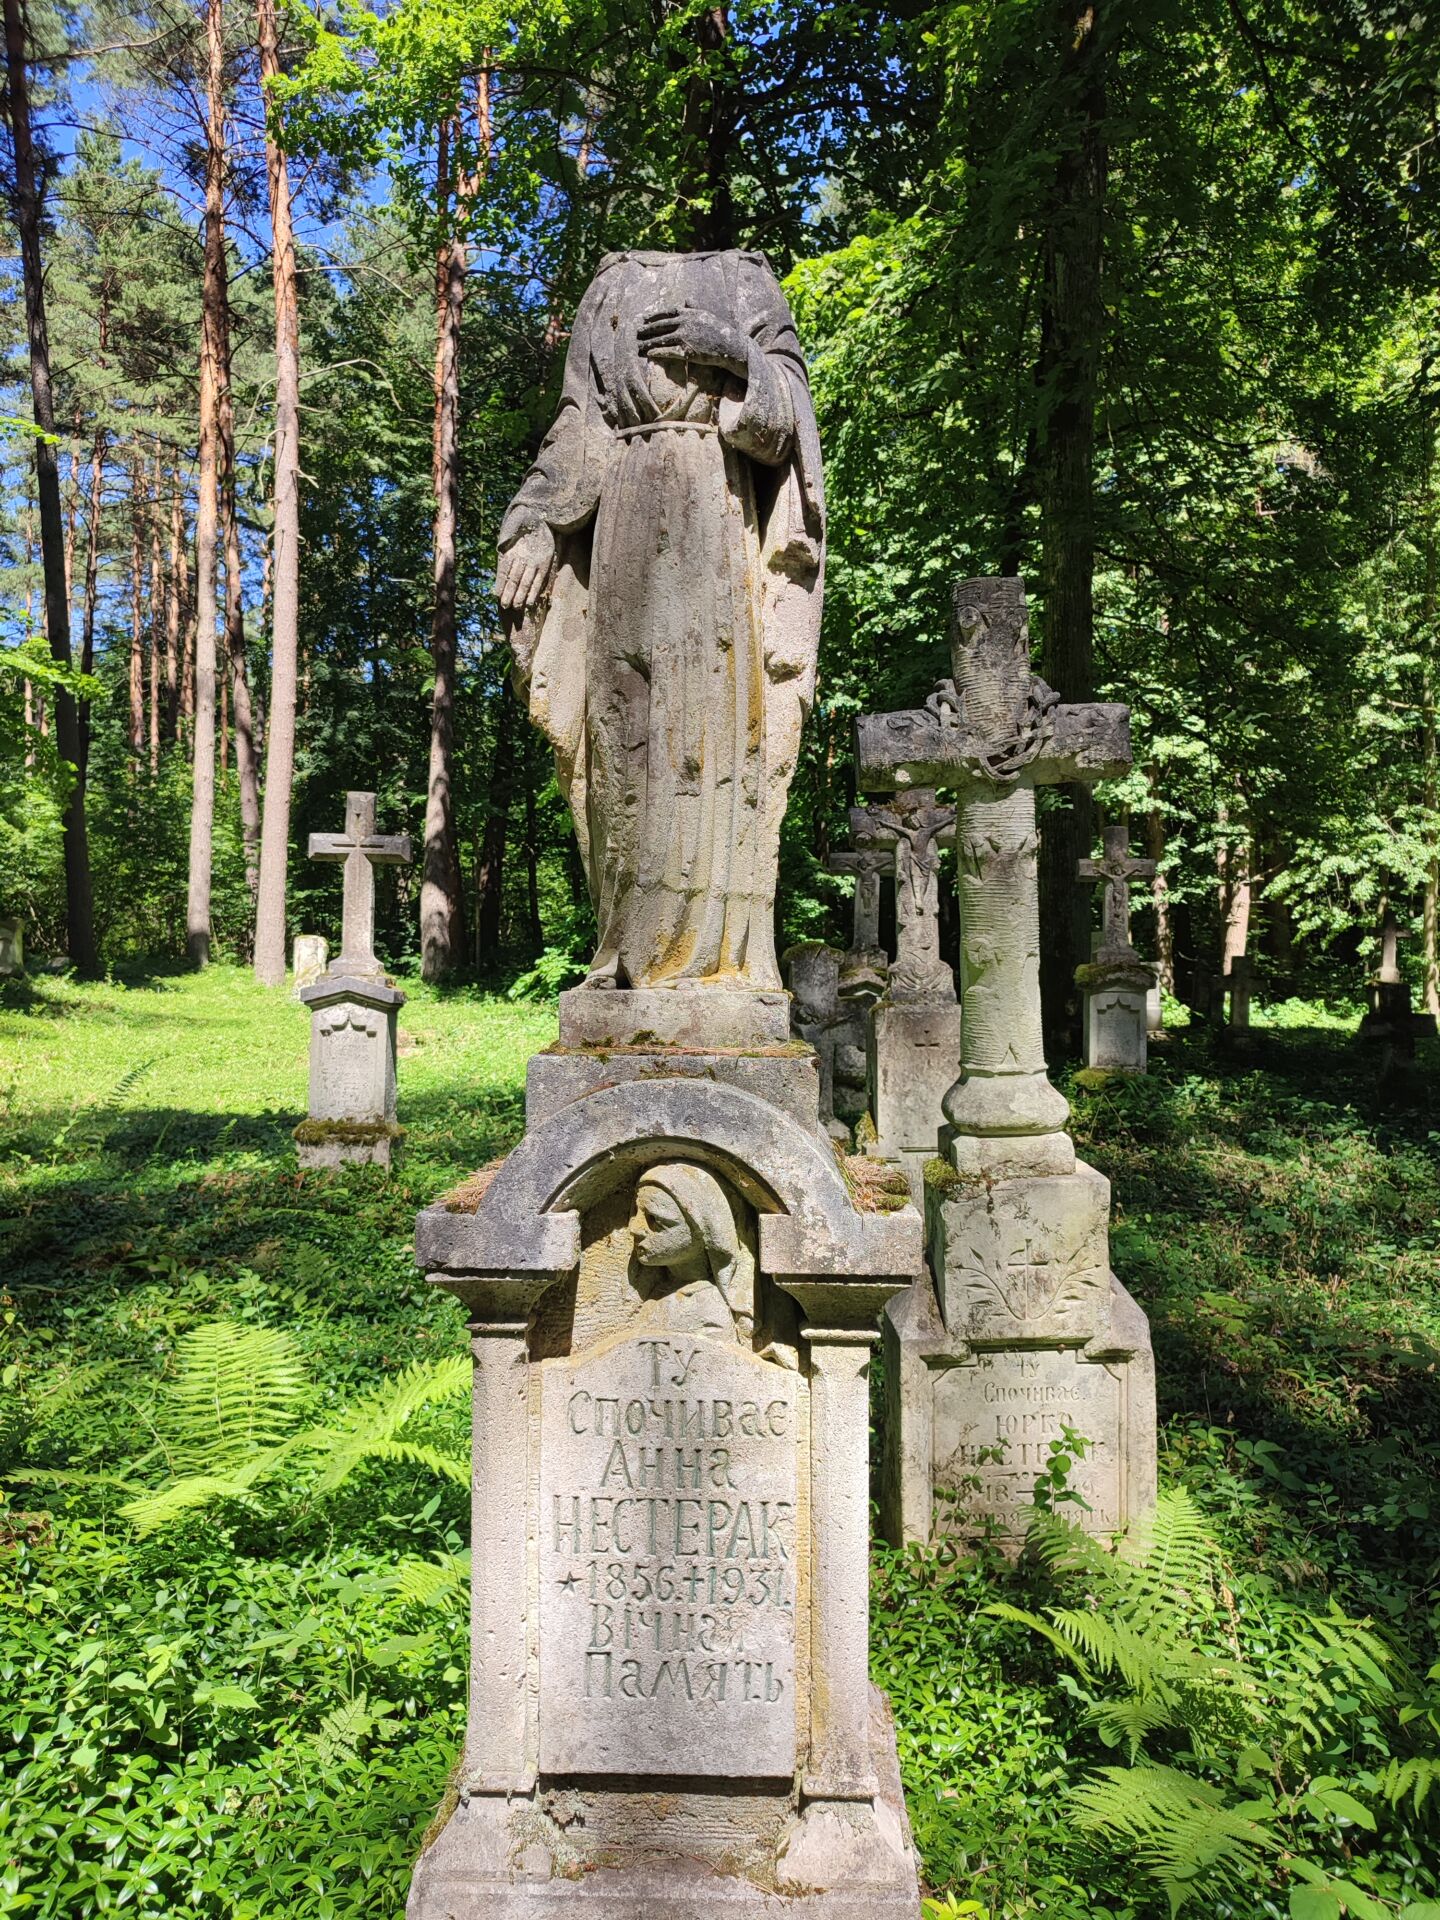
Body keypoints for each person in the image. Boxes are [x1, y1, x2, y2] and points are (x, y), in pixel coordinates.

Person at [497, 249, 824, 992]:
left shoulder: (748, 279)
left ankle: (714, 958)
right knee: (620, 736)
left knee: (703, 735)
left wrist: (736, 355)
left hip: (715, 517)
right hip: (621, 524)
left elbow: (788, 429)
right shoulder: (608, 283)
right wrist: (536, 521)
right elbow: (577, 429)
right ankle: (624, 947)